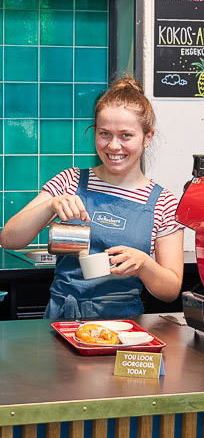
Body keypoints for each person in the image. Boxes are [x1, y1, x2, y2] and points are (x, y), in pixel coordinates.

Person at [0, 77, 184, 319]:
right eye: (105, 133)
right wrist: (50, 205)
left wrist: (144, 264)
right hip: (61, 322)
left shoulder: (164, 203)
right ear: (94, 132)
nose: (114, 146)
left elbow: (171, 290)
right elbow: (9, 239)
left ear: (147, 138)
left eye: (126, 135)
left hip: (124, 327)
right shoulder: (70, 180)